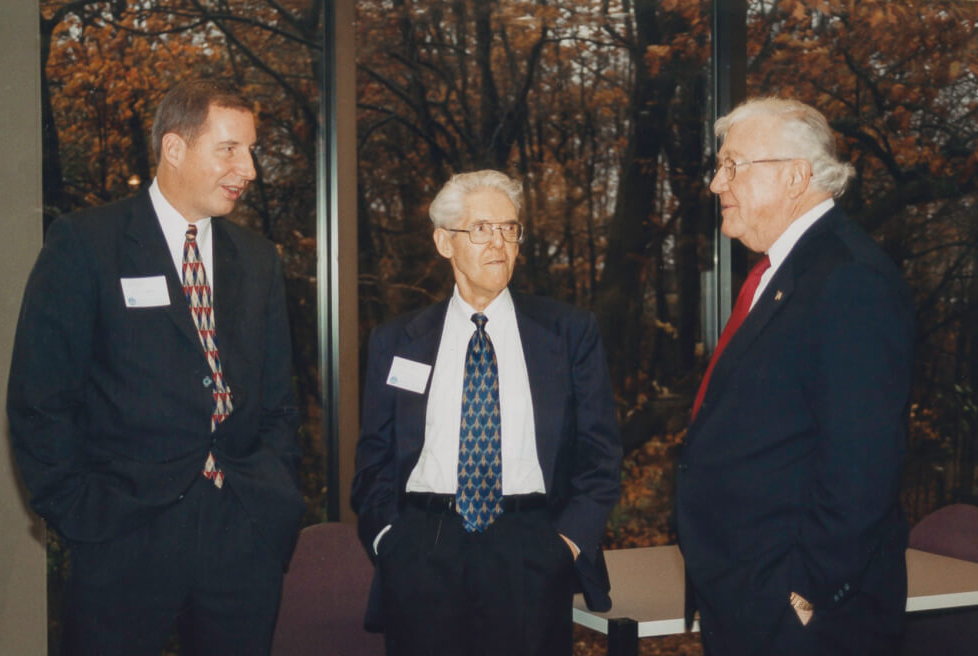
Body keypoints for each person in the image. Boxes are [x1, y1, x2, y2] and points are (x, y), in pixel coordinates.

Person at [7, 79, 304, 655]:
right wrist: (79, 514)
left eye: (251, 150)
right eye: (230, 149)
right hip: (123, 530)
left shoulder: (258, 259)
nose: (249, 168)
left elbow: (277, 400)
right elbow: (39, 399)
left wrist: (275, 491)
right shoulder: (86, 243)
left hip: (242, 530)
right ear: (174, 148)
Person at [675, 96, 915, 655]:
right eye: (719, 165)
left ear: (796, 177)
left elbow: (863, 466)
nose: (716, 184)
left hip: (804, 618)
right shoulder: (784, 273)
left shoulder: (850, 282)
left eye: (733, 165)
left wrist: (805, 592)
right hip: (748, 598)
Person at [351, 170, 622, 656]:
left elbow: (600, 456)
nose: (499, 242)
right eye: (481, 228)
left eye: (509, 228)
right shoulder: (398, 340)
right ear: (444, 242)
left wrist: (566, 545)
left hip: (530, 549)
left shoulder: (568, 333)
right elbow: (373, 454)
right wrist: (390, 539)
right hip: (423, 548)